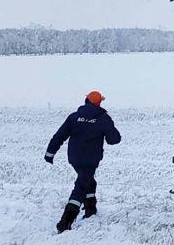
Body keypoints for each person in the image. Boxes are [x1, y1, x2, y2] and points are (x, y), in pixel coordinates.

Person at [45, 90, 121, 233]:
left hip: (74, 158)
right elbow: (114, 140)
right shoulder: (103, 118)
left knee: (89, 182)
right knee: (81, 187)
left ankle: (90, 211)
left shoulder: (74, 117)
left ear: (86, 100)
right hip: (90, 160)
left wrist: (50, 153)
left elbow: (59, 136)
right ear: (99, 103)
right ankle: (65, 222)